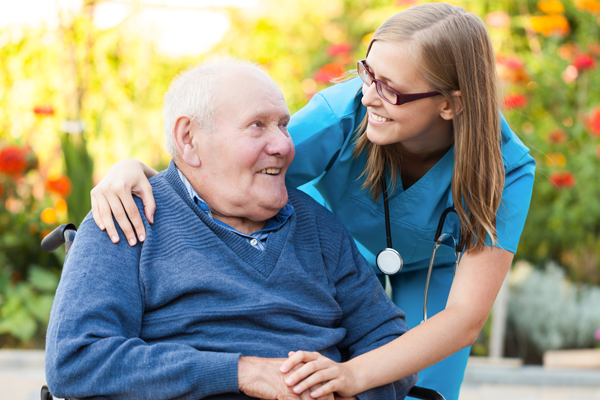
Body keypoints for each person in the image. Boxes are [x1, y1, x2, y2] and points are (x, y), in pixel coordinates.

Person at [88, 3, 535, 399]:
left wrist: (351, 377)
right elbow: (223, 172)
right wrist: (134, 169)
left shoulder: (507, 170)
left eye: (391, 90)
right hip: (343, 257)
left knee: (424, 390)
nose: (368, 95)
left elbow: (463, 318)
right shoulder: (341, 115)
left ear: (450, 105)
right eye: (367, 72)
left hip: (436, 270)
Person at [45, 59, 418, 400]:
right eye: (258, 125)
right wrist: (240, 372)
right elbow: (76, 359)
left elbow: (389, 342)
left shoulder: (318, 226)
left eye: (283, 125)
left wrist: (350, 389)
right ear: (189, 139)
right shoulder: (124, 219)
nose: (284, 145)